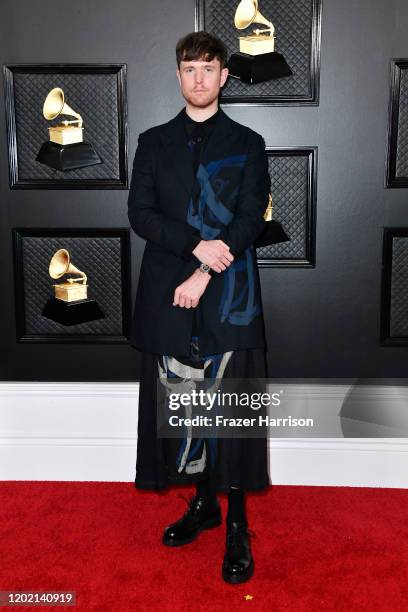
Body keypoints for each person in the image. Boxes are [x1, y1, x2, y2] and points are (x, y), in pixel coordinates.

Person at [127, 30, 271, 584]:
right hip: (168, 293)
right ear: (179, 75)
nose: (200, 79)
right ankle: (204, 505)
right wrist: (193, 247)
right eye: (190, 69)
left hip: (229, 294)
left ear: (224, 76)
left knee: (229, 412)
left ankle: (236, 522)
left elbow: (250, 216)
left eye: (209, 68)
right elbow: (142, 214)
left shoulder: (249, 142)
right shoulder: (152, 141)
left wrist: (207, 268)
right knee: (186, 405)